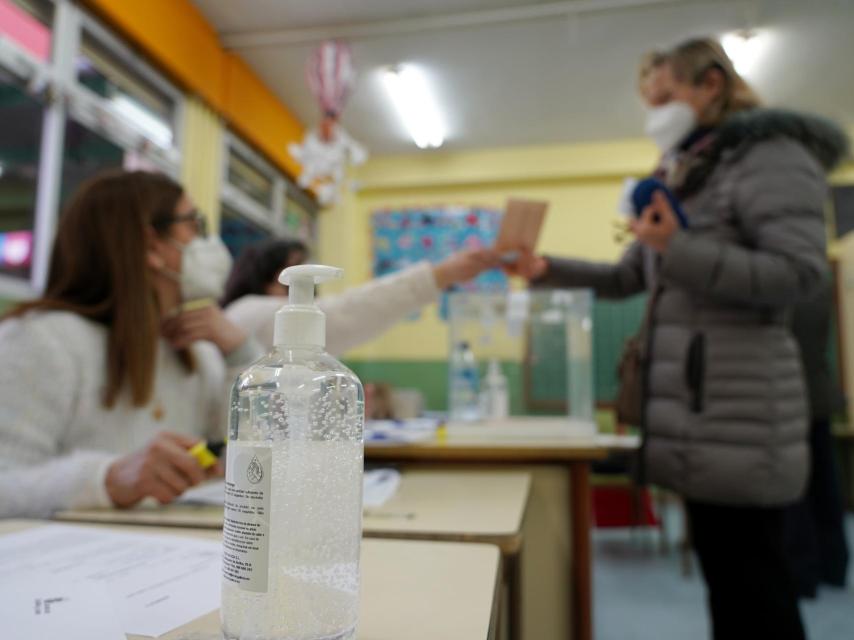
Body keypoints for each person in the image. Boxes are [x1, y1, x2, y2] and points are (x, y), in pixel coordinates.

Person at [509, 38, 848, 640]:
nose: (653, 113)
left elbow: (799, 275)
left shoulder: (771, 157)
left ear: (710, 84)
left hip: (743, 412)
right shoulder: (686, 168)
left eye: (664, 97)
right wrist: (546, 269)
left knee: (758, 587)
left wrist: (678, 247)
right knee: (729, 585)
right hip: (698, 413)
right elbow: (628, 276)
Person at [0, 170, 262, 518]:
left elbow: (248, 466)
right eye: (193, 225)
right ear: (151, 246)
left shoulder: (197, 354)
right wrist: (106, 480)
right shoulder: (41, 341)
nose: (208, 243)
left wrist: (242, 355)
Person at [223, 238, 502, 355]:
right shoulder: (247, 311)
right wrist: (440, 274)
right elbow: (347, 312)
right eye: (295, 267)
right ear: (267, 276)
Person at [785, 277, 850, 596]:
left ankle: (804, 570)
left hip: (792, 400)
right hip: (818, 397)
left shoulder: (783, 290)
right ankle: (834, 565)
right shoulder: (819, 284)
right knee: (825, 485)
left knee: (798, 490)